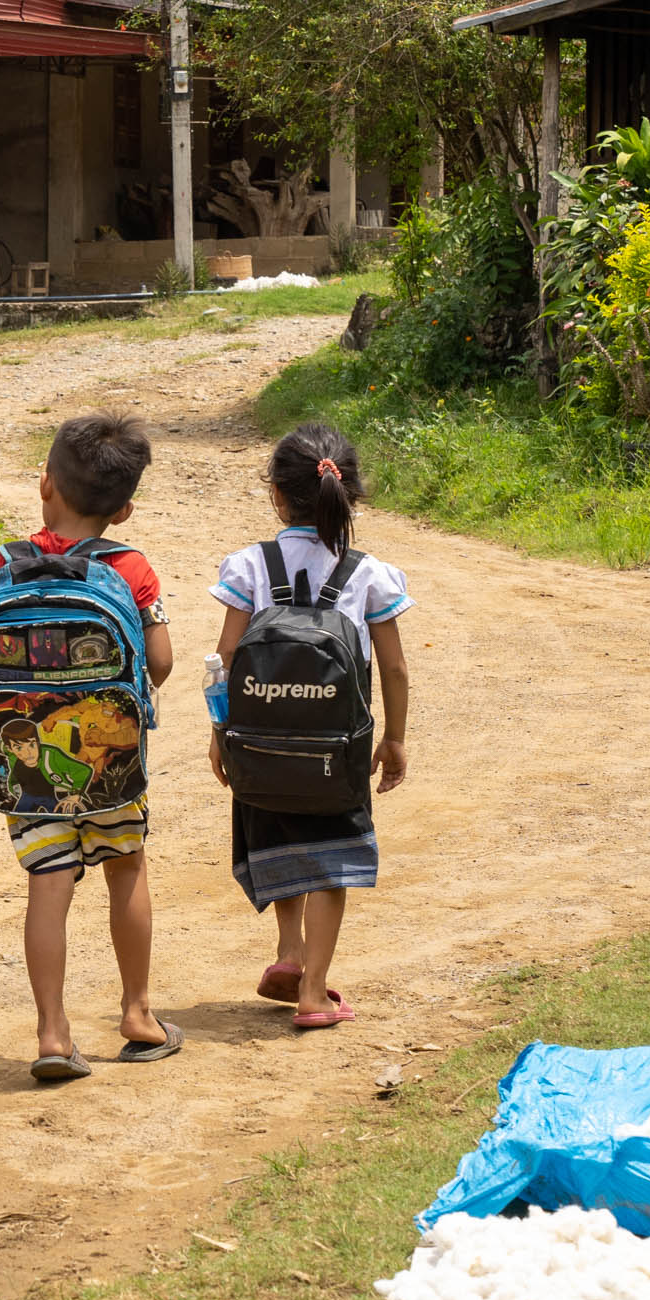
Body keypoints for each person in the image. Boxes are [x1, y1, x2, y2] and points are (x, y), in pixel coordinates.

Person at [0, 412, 179, 1081]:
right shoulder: (132, 567)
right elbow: (162, 660)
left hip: (25, 759)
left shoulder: (3, 563)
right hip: (110, 759)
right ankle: (139, 1013)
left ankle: (52, 1032)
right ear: (123, 510)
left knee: (47, 885)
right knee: (128, 873)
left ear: (44, 486)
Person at [208, 423, 412, 1029]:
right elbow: (394, 667)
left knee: (277, 833)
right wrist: (394, 738)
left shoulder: (248, 566)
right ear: (351, 495)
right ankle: (314, 990)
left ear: (275, 493)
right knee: (333, 862)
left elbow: (224, 660)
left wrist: (222, 735)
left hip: (262, 744)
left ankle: (288, 949)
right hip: (337, 751)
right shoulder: (371, 575)